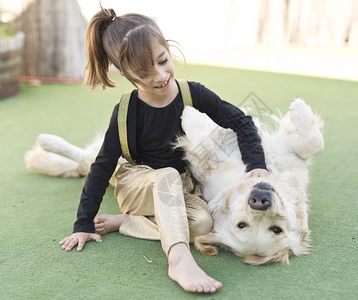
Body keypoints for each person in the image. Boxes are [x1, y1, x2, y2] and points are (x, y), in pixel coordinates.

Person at [59, 5, 269, 294]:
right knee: (167, 174)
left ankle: (128, 224)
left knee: (203, 223)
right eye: (145, 72)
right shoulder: (126, 111)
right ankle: (179, 259)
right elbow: (103, 165)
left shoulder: (191, 93)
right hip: (138, 183)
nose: (159, 76)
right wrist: (83, 222)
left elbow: (240, 121)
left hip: (180, 188)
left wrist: (257, 164)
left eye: (162, 60)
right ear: (123, 72)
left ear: (168, 48)